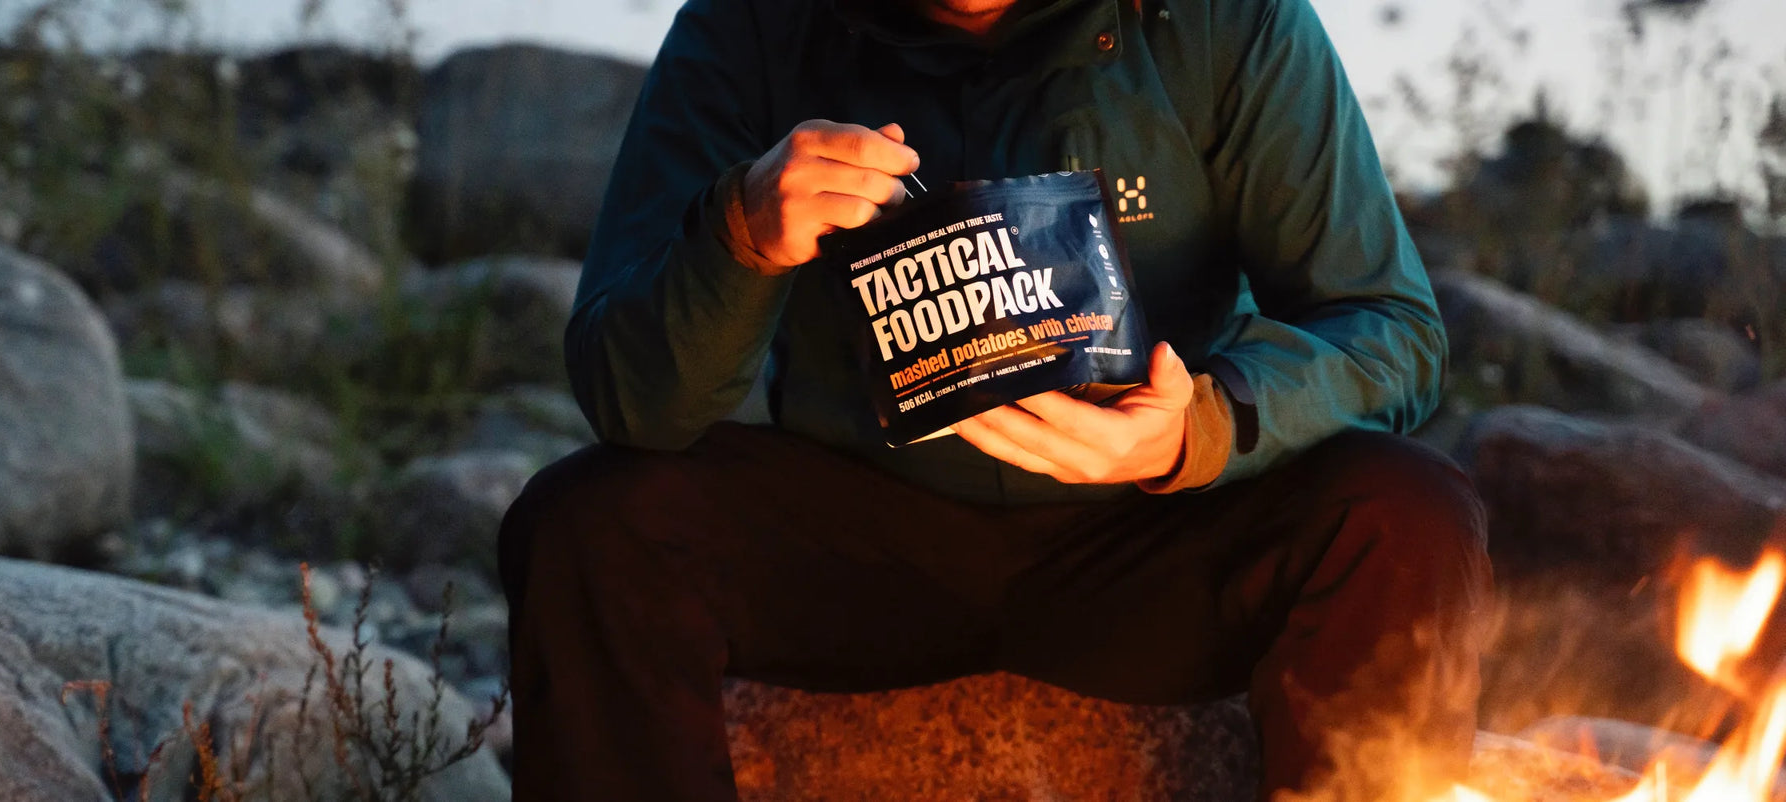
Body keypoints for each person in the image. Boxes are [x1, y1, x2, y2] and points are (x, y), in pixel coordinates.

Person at [497, 0, 1494, 799]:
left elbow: (1388, 327)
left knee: (1403, 512)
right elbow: (633, 399)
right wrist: (741, 234)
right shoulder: (749, 27)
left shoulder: (1221, 22)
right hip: (863, 541)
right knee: (591, 523)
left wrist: (1199, 426)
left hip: (1152, 536)